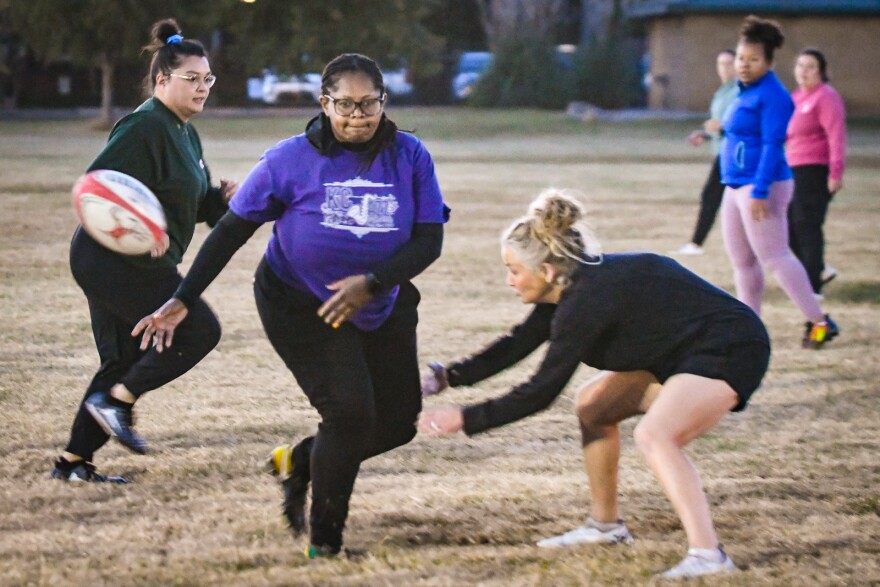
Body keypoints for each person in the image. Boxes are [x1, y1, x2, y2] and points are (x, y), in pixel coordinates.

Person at [133, 53, 448, 558]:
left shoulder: (410, 156)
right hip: (298, 303)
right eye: (344, 104)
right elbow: (230, 233)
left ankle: (302, 460)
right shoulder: (287, 159)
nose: (357, 115)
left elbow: (428, 240)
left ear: (383, 102)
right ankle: (325, 544)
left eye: (369, 103)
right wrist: (183, 298)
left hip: (382, 300)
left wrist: (373, 282)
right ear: (324, 104)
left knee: (396, 422)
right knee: (348, 414)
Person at [418, 189, 770, 579]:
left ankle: (709, 556)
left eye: (514, 270)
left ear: (548, 272)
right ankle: (607, 527)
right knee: (593, 406)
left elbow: (540, 392)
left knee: (656, 435)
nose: (509, 281)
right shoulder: (570, 286)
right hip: (676, 350)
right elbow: (517, 344)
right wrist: (448, 377)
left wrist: (464, 419)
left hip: (730, 345)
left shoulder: (586, 301)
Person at [50, 19, 237, 483]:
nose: (202, 87)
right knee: (198, 330)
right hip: (110, 259)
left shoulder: (185, 133)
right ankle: (117, 402)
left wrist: (221, 200)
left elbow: (189, 205)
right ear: (161, 80)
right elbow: (94, 192)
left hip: (129, 262)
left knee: (121, 362)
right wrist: (135, 228)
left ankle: (74, 465)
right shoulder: (144, 125)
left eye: (207, 79)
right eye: (191, 78)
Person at [719, 15, 838, 349]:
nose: (744, 65)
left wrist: (759, 191)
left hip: (763, 185)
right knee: (742, 263)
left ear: (769, 62)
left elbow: (773, 145)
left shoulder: (774, 95)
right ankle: (749, 330)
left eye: (753, 60)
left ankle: (820, 322)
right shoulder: (742, 92)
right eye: (742, 58)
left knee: (775, 258)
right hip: (736, 185)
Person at [786, 48, 847, 297]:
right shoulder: (797, 97)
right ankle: (818, 268)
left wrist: (836, 172)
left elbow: (836, 135)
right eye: (800, 65)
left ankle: (813, 285)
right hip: (793, 169)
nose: (804, 71)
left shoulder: (826, 97)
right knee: (788, 227)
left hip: (814, 170)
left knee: (807, 224)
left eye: (810, 66)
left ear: (821, 71)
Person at [671, 49, 738, 256]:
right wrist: (705, 134)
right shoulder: (722, 92)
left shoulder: (740, 91)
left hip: (736, 154)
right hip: (723, 152)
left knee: (713, 197)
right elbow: (717, 125)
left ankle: (696, 244)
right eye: (721, 63)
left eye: (729, 63)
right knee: (720, 199)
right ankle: (696, 244)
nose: (724, 68)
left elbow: (740, 125)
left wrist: (722, 129)